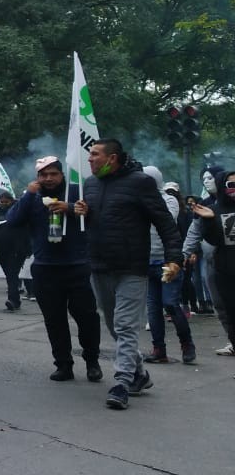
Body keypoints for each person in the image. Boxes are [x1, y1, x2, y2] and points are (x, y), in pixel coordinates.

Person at [73, 139, 183, 410]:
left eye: (95, 155)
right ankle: (140, 374)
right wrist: (81, 212)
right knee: (114, 326)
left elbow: (164, 222)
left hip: (132, 267)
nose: (90, 160)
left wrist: (174, 258)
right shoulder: (91, 184)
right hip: (99, 266)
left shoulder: (140, 182)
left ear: (112, 158)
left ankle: (121, 382)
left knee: (125, 326)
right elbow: (95, 221)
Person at [5, 156, 102, 381]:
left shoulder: (77, 192)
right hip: (45, 267)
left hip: (77, 265)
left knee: (86, 317)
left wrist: (69, 208)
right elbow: (12, 220)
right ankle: (63, 364)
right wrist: (28, 194)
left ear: (62, 175)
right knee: (54, 319)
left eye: (53, 174)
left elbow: (96, 216)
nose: (48, 179)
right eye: (43, 175)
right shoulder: (33, 196)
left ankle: (92, 361)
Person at [140, 166, 195, 365]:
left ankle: (187, 344)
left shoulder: (169, 199)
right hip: (147, 262)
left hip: (168, 261)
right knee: (153, 308)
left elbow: (165, 219)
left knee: (170, 303)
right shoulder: (137, 201)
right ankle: (159, 350)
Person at [190, 170, 235, 358]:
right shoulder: (213, 210)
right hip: (225, 269)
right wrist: (210, 221)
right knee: (230, 312)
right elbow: (212, 239)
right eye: (231, 185)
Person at [0, 192, 30, 311]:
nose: (3, 204)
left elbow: (27, 230)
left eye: (6, 202)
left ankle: (13, 300)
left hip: (17, 249)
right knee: (10, 275)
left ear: (12, 201)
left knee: (12, 274)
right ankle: (15, 299)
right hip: (1, 251)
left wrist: (27, 248)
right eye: (1, 202)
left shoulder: (18, 212)